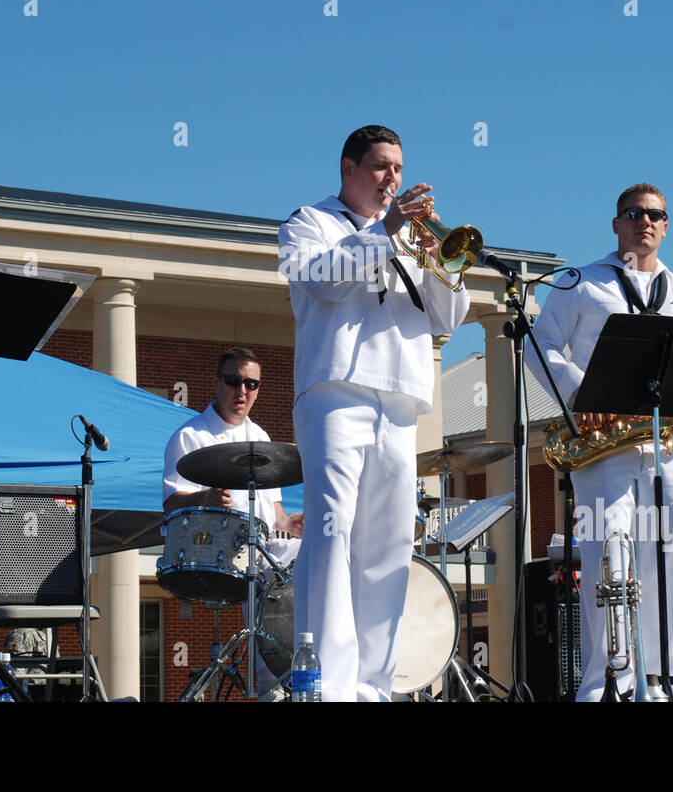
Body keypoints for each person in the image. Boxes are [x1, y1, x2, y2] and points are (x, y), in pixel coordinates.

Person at [278, 124, 470, 701]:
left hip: (401, 394)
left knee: (389, 544)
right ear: (349, 168)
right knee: (332, 533)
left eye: (399, 168)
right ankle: (327, 683)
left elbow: (447, 319)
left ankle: (373, 686)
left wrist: (441, 261)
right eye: (382, 166)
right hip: (336, 390)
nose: (393, 179)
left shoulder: (411, 236)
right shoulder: (308, 222)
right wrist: (386, 232)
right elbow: (319, 281)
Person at [527, 183, 673, 701]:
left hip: (671, 447)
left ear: (667, 225)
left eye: (656, 215)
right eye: (634, 213)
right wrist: (576, 390)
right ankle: (608, 681)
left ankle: (663, 681)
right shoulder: (581, 282)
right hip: (604, 445)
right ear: (616, 223)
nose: (645, 222)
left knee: (670, 556)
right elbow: (539, 343)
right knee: (606, 555)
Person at [162, 347, 304, 562]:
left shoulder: (261, 437)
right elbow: (171, 502)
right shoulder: (189, 435)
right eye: (233, 381)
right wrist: (205, 498)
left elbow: (272, 505)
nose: (242, 390)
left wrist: (287, 522)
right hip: (215, 553)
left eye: (251, 384)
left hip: (264, 548)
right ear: (216, 384)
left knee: (317, 554)